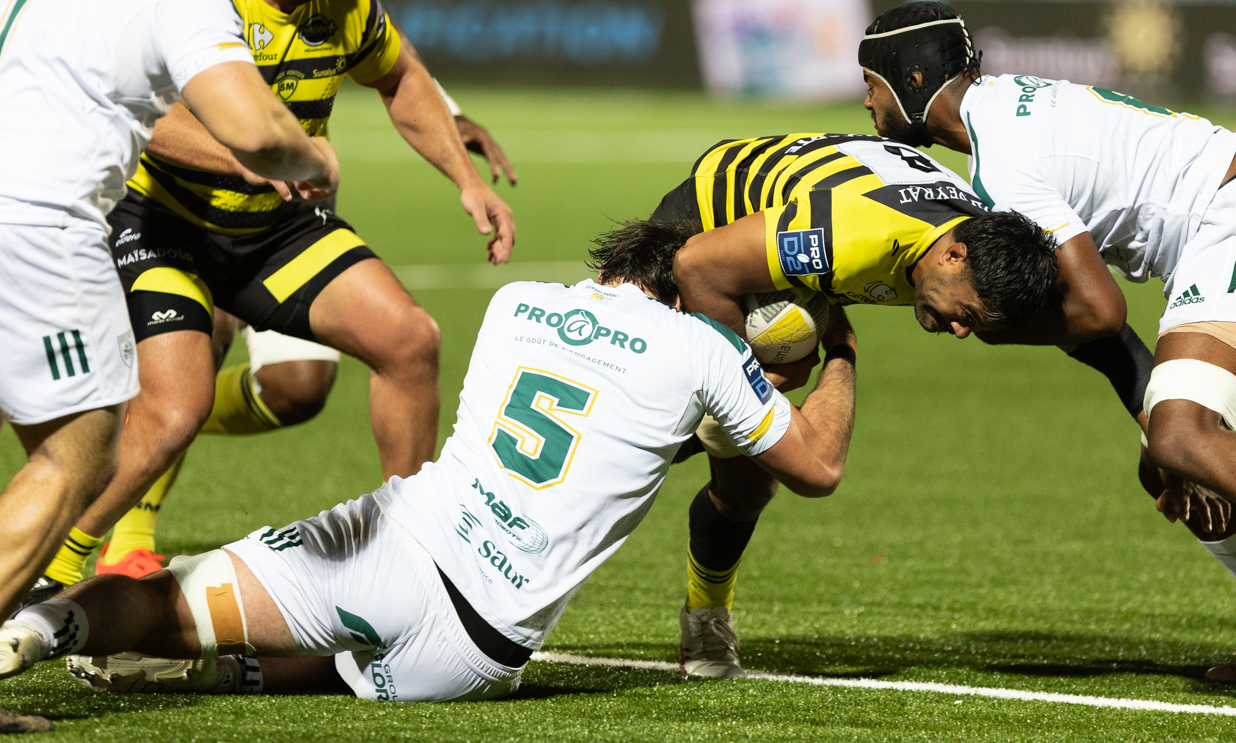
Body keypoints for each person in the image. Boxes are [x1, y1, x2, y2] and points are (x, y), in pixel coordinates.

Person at [0, 220, 858, 705]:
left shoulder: (518, 301)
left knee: (159, 598)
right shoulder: (700, 355)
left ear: (609, 267)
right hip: (478, 653)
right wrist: (840, 347)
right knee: (342, 671)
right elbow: (812, 466)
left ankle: (32, 629)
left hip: (400, 545)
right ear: (686, 293)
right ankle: (225, 665)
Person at [862, 0, 1236, 689]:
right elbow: (1095, 316)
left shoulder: (1003, 159)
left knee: (1183, 434)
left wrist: (994, 329)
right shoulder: (1002, 112)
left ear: (911, 81)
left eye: (872, 82)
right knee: (1169, 458)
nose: (867, 99)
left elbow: (1098, 308)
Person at [32, 0, 515, 608]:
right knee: (172, 412)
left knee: (409, 337)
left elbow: (400, 78)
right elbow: (151, 118)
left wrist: (467, 179)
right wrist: (247, 158)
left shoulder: (343, 0)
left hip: (274, 229)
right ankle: (48, 570)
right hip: (166, 225)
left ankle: (410, 564)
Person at [0, 0, 338, 729]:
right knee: (81, 453)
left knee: (54, 451)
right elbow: (253, 125)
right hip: (35, 222)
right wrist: (311, 159)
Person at [643, 134, 1059, 677]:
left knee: (748, 481)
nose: (960, 332)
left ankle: (705, 616)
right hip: (704, 221)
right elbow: (697, 265)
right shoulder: (854, 237)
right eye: (967, 313)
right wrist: (740, 382)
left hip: (791, 229)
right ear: (953, 254)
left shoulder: (973, 244)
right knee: (639, 438)